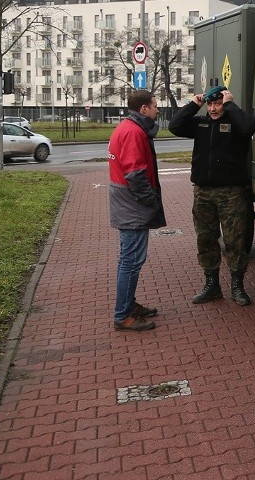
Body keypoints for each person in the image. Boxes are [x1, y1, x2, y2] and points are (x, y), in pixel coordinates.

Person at [168, 85, 255, 306]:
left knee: (234, 241)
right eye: (210, 104)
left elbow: (248, 128)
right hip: (203, 193)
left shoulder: (236, 122)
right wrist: (193, 104)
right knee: (205, 238)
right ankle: (212, 285)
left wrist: (230, 104)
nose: (213, 108)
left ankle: (237, 286)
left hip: (231, 193)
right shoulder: (201, 123)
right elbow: (174, 126)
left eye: (217, 103)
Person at [107, 89, 166, 331]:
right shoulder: (133, 132)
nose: (157, 109)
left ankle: (129, 305)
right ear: (143, 108)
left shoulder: (127, 127)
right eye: (154, 105)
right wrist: (150, 201)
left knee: (129, 259)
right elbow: (135, 173)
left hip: (126, 201)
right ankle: (123, 314)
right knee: (131, 260)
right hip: (133, 204)